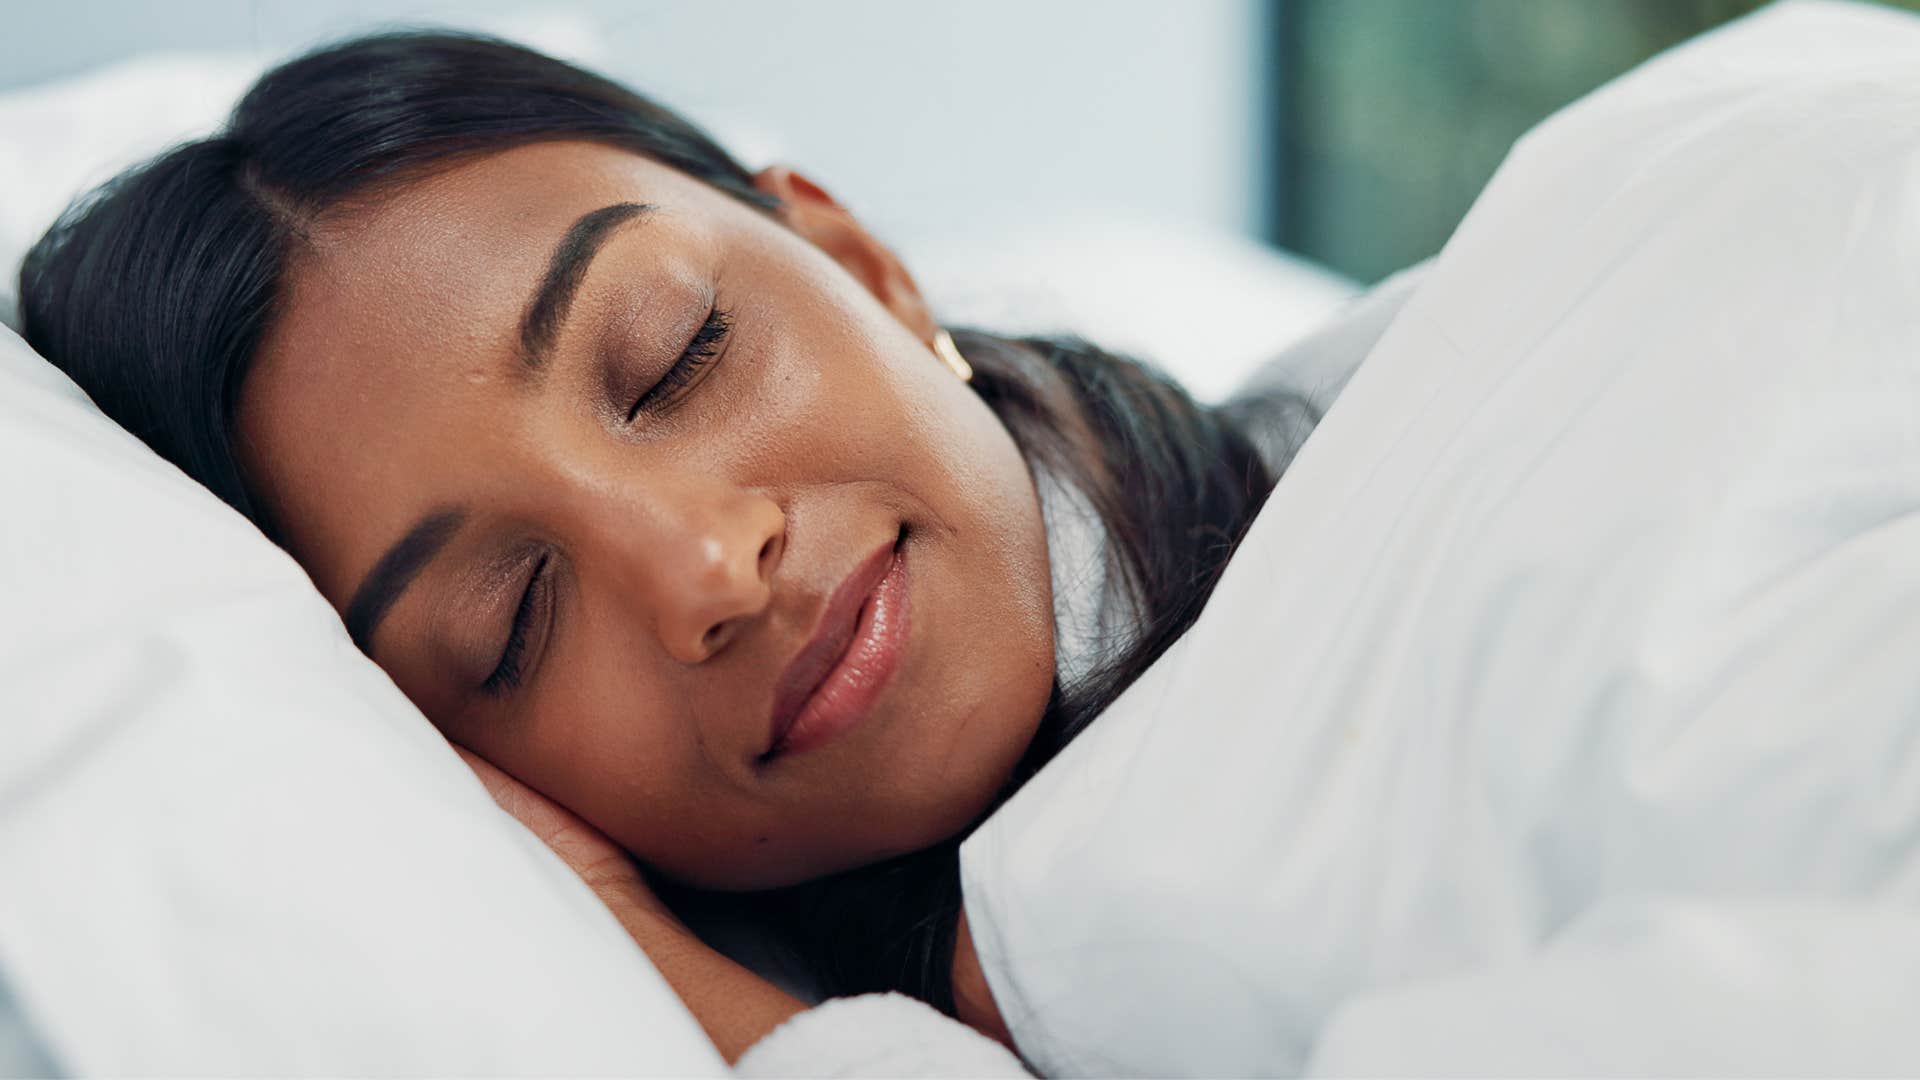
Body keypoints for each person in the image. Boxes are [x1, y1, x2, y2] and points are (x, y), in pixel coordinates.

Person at [16, 31, 1321, 1062]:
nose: (708, 570)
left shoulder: (1401, 458)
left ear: (860, 262)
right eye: (513, 621)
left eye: (674, 359)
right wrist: (629, 931)